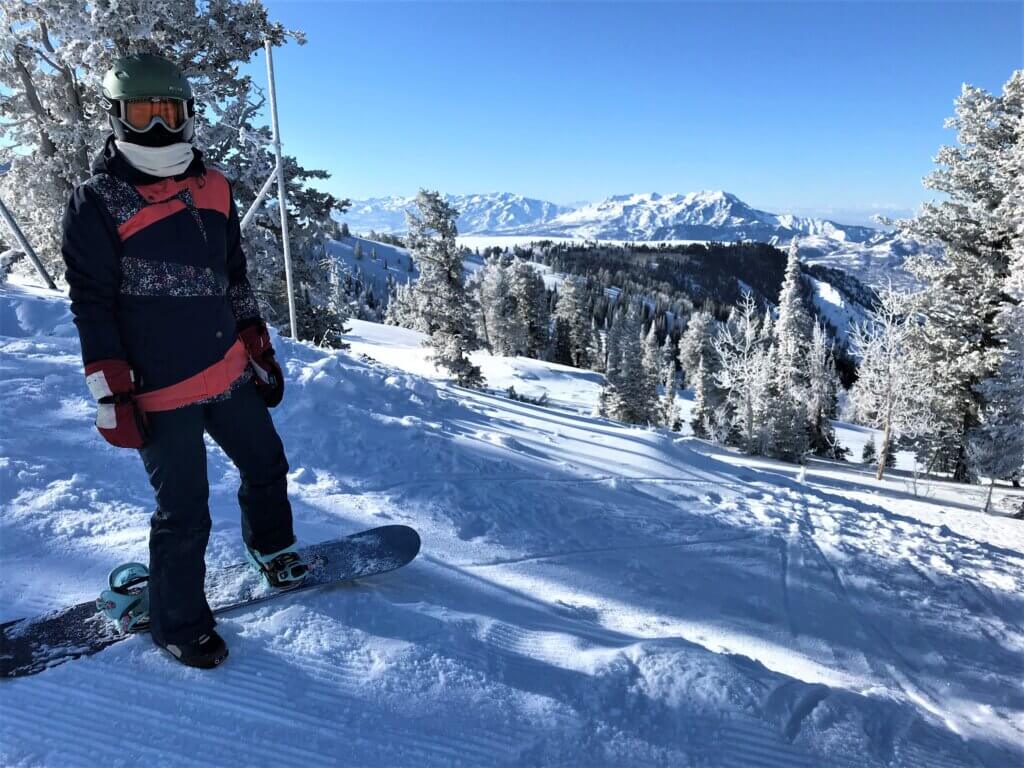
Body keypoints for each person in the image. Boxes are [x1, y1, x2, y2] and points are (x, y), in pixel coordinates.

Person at [61, 53, 306, 670]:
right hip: (159, 390)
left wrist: (256, 344)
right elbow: (91, 305)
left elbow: (233, 274)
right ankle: (178, 623)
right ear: (117, 117)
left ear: (189, 115)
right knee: (185, 511)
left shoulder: (215, 187)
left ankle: (272, 547)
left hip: (227, 369)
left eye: (168, 112)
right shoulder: (96, 203)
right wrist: (111, 392)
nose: (157, 127)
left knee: (266, 463)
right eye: (142, 113)